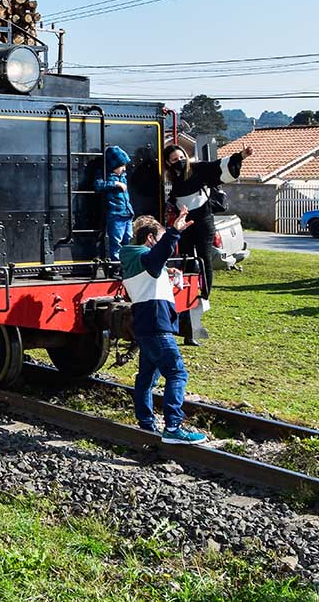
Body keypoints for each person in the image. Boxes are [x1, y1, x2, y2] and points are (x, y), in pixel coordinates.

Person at [121, 208, 206, 443]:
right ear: (150, 239)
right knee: (177, 373)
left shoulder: (134, 259)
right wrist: (174, 232)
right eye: (157, 239)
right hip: (158, 326)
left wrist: (168, 274)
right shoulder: (146, 259)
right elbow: (157, 257)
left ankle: (146, 424)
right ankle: (173, 427)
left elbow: (152, 269)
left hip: (145, 326)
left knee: (146, 378)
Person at [162, 143, 253, 306]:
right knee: (186, 257)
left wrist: (241, 156)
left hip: (204, 220)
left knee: (204, 257)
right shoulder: (173, 178)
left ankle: (205, 294)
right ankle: (187, 290)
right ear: (169, 163)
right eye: (175, 159)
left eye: (182, 157)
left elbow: (219, 165)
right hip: (185, 224)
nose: (180, 161)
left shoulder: (198, 169)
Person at [95, 145, 134, 261]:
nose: (124, 169)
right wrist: (115, 184)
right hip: (116, 214)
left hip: (127, 213)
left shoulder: (123, 177)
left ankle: (127, 262)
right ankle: (116, 264)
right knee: (116, 241)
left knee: (129, 239)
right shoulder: (106, 176)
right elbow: (98, 185)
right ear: (114, 165)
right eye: (122, 166)